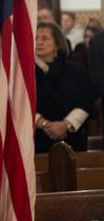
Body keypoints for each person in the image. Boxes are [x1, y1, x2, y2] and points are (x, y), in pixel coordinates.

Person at [35, 21, 93, 153]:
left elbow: (86, 102)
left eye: (45, 38)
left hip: (71, 137)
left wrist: (65, 125)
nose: (39, 42)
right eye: (36, 38)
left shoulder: (75, 70)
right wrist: (45, 124)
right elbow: (21, 104)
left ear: (57, 43)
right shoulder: (25, 74)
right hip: (37, 137)